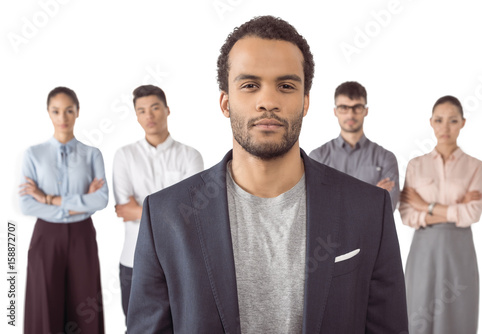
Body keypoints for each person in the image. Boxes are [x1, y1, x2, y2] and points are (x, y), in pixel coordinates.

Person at [127, 16, 408, 333]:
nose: (268, 101)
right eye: (249, 85)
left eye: (286, 86)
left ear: (305, 102)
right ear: (225, 102)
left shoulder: (368, 208)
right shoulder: (165, 214)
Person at [112, 84, 204, 326]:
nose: (149, 115)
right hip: (133, 261)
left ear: (167, 110)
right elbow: (124, 208)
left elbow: (193, 212)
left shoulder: (190, 156)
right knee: (137, 328)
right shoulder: (124, 156)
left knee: (185, 326)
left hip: (181, 262)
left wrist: (139, 210)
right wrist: (172, 211)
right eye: (141, 110)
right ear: (136, 116)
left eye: (154, 108)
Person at [19, 87, 108, 334]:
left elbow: (100, 200)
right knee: (45, 301)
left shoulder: (92, 154)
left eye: (69, 110)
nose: (63, 117)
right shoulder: (33, 154)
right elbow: (26, 203)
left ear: (77, 112)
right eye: (56, 111)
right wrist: (78, 205)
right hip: (46, 236)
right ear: (48, 113)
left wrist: (49, 199)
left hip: (82, 235)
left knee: (85, 300)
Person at [400, 95, 482, 333]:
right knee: (418, 312)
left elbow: (473, 213)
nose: (445, 127)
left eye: (452, 121)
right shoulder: (416, 165)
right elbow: (406, 214)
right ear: (431, 122)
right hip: (424, 251)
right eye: (439, 120)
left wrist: (426, 207)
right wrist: (455, 210)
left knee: (459, 315)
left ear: (463, 123)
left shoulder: (475, 166)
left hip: (459, 251)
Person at [310, 81, 400, 211]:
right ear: (335, 111)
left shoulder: (386, 158)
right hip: (330, 232)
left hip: (370, 232)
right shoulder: (317, 157)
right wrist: (372, 194)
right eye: (344, 107)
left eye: (357, 107)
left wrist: (336, 199)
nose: (350, 114)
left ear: (366, 111)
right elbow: (316, 206)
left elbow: (387, 208)